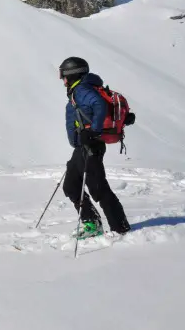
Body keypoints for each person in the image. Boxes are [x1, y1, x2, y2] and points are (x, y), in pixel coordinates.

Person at [59, 57, 131, 237]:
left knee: (98, 187)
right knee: (71, 185)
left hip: (91, 145)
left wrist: (94, 131)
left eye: (62, 75)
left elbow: (99, 105)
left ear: (71, 74)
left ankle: (120, 227)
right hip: (83, 146)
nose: (62, 79)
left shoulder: (82, 89)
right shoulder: (81, 89)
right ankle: (92, 223)